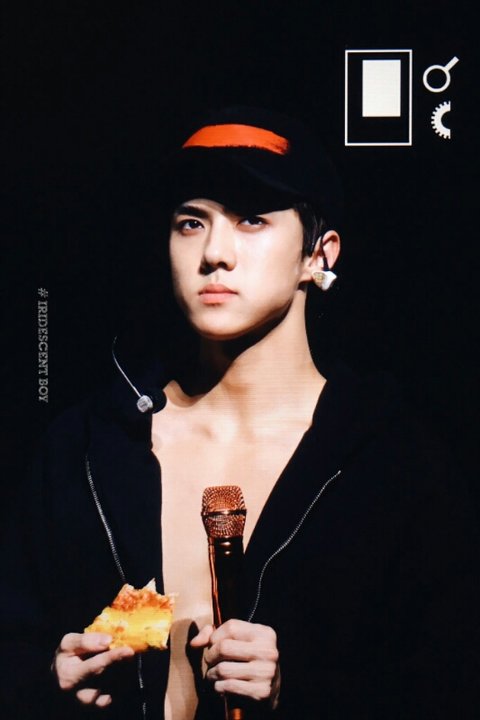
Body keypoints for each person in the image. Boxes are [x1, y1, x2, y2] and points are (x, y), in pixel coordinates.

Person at [1, 106, 479, 720]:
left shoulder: (394, 467)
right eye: (191, 222)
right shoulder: (85, 448)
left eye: (252, 219)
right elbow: (15, 639)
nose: (214, 253)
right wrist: (47, 678)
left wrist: (294, 692)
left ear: (318, 254)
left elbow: (445, 683)